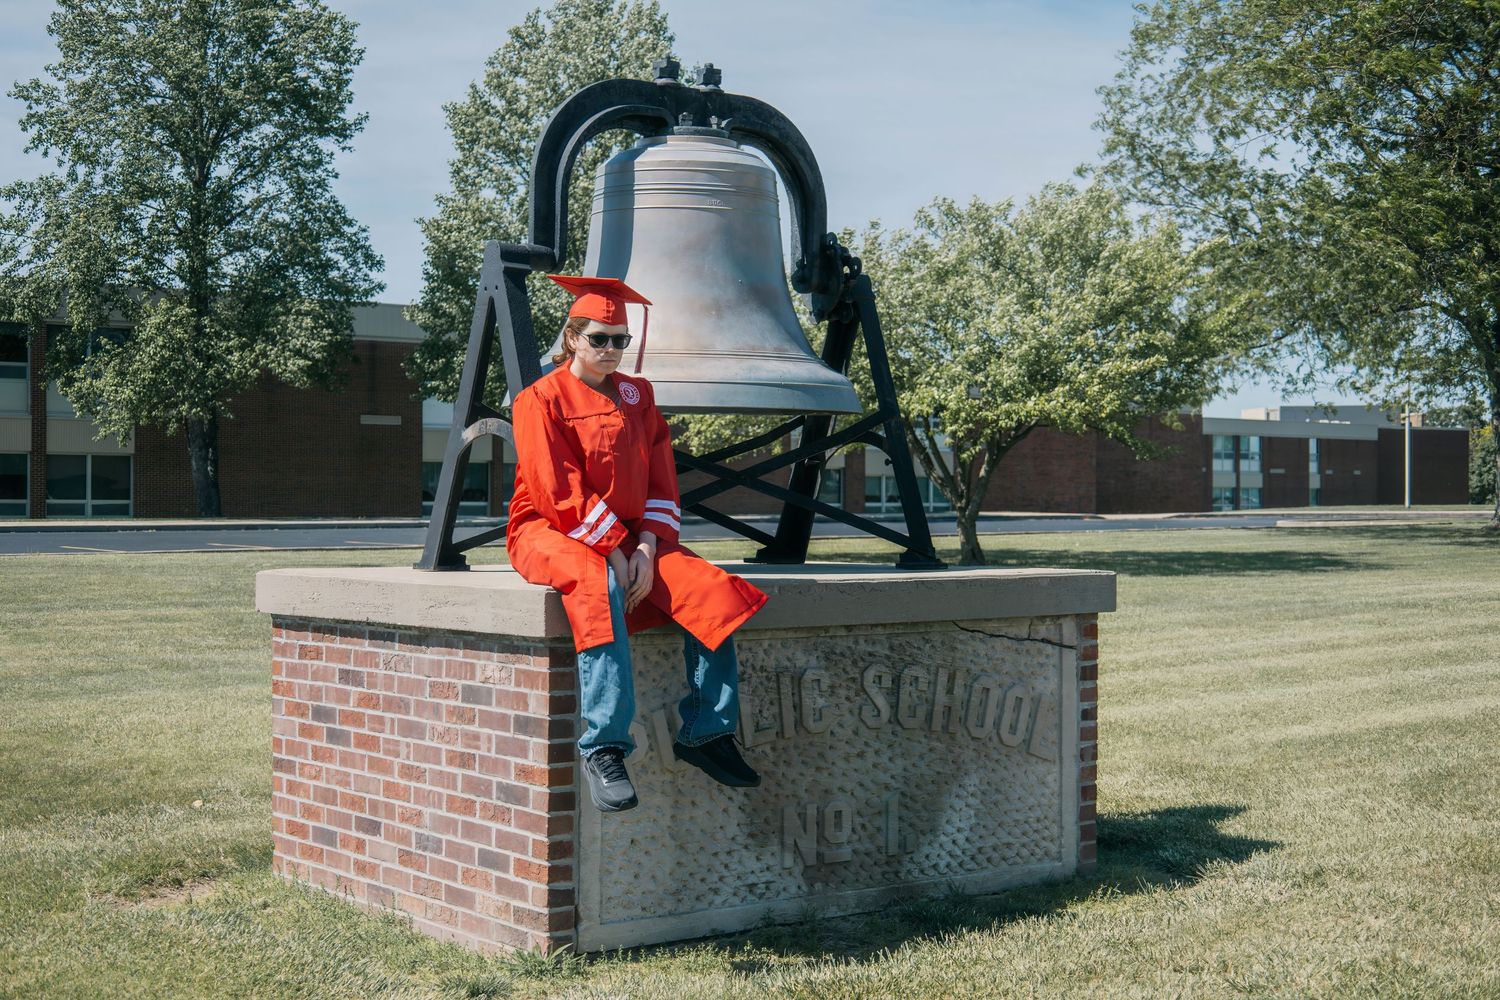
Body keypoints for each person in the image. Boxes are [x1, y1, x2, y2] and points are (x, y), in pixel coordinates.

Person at [506, 274, 769, 812]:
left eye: (618, 340)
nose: (609, 350)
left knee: (712, 590)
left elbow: (661, 480)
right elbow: (557, 491)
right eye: (599, 338)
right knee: (597, 586)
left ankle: (706, 730)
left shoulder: (638, 394)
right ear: (573, 336)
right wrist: (619, 552)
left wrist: (648, 545)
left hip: (631, 534)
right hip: (550, 529)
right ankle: (604, 745)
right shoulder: (541, 398)